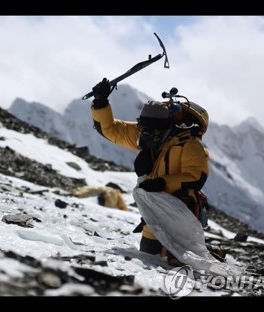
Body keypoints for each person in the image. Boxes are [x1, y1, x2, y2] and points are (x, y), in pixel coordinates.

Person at [89, 78, 210, 266]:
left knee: (180, 264)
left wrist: (162, 183)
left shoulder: (190, 146)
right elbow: (110, 129)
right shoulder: (149, 137)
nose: (144, 135)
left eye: (150, 131)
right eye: (142, 129)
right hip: (154, 212)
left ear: (166, 127)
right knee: (149, 260)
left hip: (182, 211)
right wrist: (100, 102)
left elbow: (196, 177)